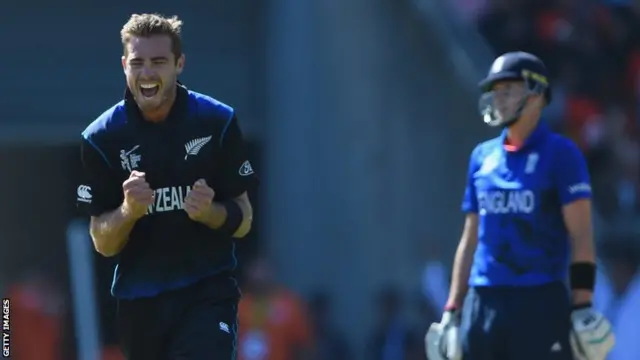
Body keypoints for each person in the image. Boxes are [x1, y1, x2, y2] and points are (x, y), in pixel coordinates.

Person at [76, 13, 257, 360]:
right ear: (124, 65)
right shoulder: (101, 138)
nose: (147, 73)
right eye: (138, 63)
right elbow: (102, 242)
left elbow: (245, 218)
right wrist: (129, 211)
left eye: (159, 62)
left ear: (179, 64)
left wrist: (210, 213)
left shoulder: (217, 121)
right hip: (139, 302)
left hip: (207, 291)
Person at [425, 52, 614, 360]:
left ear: (536, 94)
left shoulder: (561, 154)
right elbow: (470, 237)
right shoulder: (482, 157)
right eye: (495, 91)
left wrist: (582, 306)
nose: (498, 98)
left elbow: (581, 234)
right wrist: (452, 309)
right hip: (483, 301)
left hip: (539, 301)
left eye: (508, 90)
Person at [237, 255, 313, 360]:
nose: (259, 276)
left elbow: (303, 345)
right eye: (255, 269)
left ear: (272, 272)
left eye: (264, 269)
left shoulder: (290, 304)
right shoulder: (237, 304)